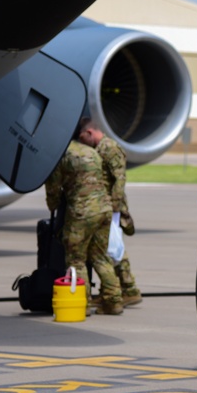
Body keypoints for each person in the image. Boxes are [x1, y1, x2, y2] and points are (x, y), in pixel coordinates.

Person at [44, 136, 124, 315]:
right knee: (100, 257)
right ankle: (113, 302)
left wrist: (53, 205)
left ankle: (82, 303)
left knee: (75, 259)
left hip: (83, 212)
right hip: (104, 209)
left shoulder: (60, 154)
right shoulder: (90, 151)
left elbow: (54, 188)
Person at [76, 117, 142, 307]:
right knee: (109, 247)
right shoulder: (98, 149)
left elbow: (119, 179)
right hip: (103, 205)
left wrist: (114, 206)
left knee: (113, 247)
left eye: (82, 138)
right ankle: (121, 289)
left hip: (111, 206)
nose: (82, 143)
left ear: (89, 133)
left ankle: (128, 289)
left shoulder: (110, 148)